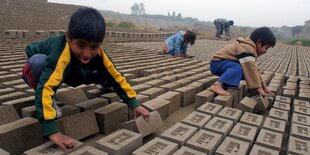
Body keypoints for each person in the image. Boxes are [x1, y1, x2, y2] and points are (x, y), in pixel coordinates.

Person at [22, 7, 150, 150]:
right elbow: (46, 86)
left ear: (101, 44)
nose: (87, 53)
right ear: (68, 37)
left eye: (94, 47)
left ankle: (101, 81)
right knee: (38, 63)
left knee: (108, 75)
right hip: (48, 69)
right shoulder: (59, 52)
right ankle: (49, 103)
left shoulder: (98, 54)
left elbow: (117, 77)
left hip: (78, 71)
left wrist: (134, 104)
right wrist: (52, 130)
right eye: (81, 45)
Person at [209, 27, 276, 97]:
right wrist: (258, 88)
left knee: (247, 72)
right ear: (259, 42)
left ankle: (226, 83)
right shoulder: (247, 48)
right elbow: (251, 69)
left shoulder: (250, 49)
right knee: (241, 68)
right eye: (266, 48)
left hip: (224, 65)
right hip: (217, 64)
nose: (265, 51)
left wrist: (264, 87)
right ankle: (217, 85)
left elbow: (255, 70)